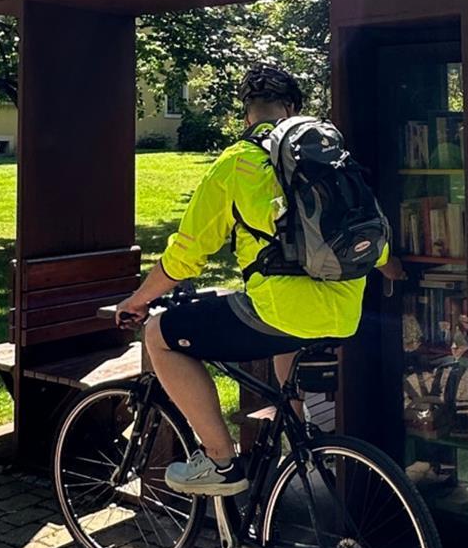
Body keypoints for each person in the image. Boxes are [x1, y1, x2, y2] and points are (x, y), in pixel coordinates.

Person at [116, 63, 402, 497]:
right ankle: (298, 429)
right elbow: (360, 233)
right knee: (279, 328)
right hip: (345, 312)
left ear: (248, 113)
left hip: (280, 312)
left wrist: (138, 300)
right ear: (292, 107)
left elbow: (185, 256)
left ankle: (220, 463)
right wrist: (390, 266)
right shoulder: (327, 159)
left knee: (160, 335)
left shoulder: (237, 163)